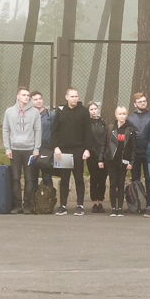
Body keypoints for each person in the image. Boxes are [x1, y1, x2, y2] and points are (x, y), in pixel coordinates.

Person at [52, 87, 93, 215]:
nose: (74, 98)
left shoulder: (84, 112)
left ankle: (80, 205)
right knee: (64, 179)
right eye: (72, 96)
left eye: (76, 96)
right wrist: (56, 147)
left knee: (78, 178)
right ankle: (62, 205)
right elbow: (54, 131)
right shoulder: (60, 111)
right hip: (63, 151)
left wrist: (87, 149)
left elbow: (88, 132)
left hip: (79, 150)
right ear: (66, 97)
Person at [2, 87, 42, 214]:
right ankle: (17, 205)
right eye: (23, 95)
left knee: (29, 178)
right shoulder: (9, 112)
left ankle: (27, 205)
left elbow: (38, 131)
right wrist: (7, 148)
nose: (26, 97)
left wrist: (36, 149)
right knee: (15, 178)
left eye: (28, 95)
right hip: (15, 149)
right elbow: (6, 130)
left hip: (29, 150)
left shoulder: (35, 112)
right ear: (18, 96)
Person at [102, 104, 136, 216]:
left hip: (124, 162)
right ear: (116, 115)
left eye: (124, 114)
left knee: (121, 184)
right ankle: (113, 208)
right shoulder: (111, 128)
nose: (122, 116)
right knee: (113, 184)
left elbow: (133, 148)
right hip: (111, 161)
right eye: (120, 114)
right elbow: (105, 144)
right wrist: (101, 159)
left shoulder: (130, 129)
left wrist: (131, 162)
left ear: (126, 115)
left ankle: (120, 208)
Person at [128, 91, 150, 198]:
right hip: (135, 153)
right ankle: (137, 202)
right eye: (140, 102)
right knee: (135, 179)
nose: (143, 103)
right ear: (135, 104)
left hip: (149, 152)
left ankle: (149, 203)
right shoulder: (129, 119)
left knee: (149, 178)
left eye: (144, 101)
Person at [86, 101, 108, 213]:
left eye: (95, 109)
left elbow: (105, 140)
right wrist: (96, 154)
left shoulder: (103, 123)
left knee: (102, 180)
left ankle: (101, 202)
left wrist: (102, 155)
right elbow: (89, 141)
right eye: (91, 109)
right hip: (92, 156)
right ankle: (94, 202)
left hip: (103, 156)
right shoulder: (87, 124)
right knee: (94, 179)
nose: (94, 111)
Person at [32, 92, 55, 188]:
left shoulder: (50, 115)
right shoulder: (28, 115)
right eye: (35, 99)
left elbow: (55, 131)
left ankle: (48, 200)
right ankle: (32, 201)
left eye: (40, 99)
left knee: (47, 177)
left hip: (46, 149)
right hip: (32, 150)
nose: (38, 101)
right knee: (32, 177)